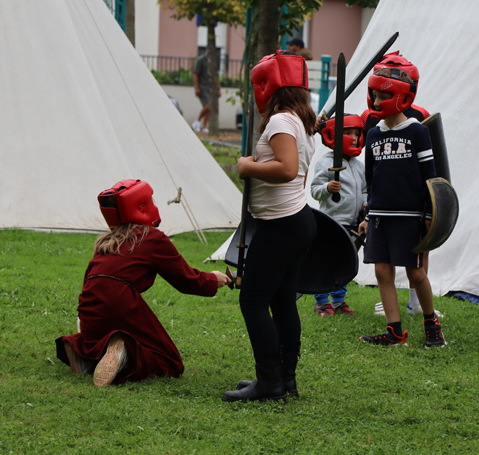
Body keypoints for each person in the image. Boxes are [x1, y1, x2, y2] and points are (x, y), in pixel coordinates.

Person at [56, 179, 230, 386]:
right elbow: (185, 280)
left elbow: (90, 277)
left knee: (98, 338)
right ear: (141, 207)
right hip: (119, 300)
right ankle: (125, 350)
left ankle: (81, 350)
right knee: (169, 361)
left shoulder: (106, 242)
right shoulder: (152, 238)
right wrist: (212, 278)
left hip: (89, 305)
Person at [223, 51, 317, 402]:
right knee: (282, 302)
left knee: (253, 302)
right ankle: (284, 380)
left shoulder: (281, 121)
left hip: (281, 226)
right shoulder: (299, 120)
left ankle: (269, 384)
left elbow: (287, 169)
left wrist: (247, 167)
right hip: (295, 223)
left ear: (271, 87)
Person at [357, 67, 445, 348]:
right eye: (374, 94)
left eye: (383, 95)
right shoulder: (372, 135)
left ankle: (432, 325)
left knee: (415, 273)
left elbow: (429, 175)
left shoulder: (418, 132)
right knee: (382, 271)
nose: (377, 100)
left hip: (410, 216)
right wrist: (368, 215)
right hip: (381, 216)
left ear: (401, 97)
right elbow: (371, 179)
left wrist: (430, 214)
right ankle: (395, 332)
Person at [309, 114, 368, 316]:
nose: (353, 137)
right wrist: (327, 187)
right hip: (332, 223)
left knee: (345, 264)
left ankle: (338, 301)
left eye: (356, 133)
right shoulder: (325, 163)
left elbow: (366, 190)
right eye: (348, 133)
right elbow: (315, 190)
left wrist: (366, 203)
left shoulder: (359, 166)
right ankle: (321, 301)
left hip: (353, 224)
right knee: (326, 262)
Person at [192, 49, 211, 134]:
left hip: (210, 87)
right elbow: (195, 73)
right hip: (202, 86)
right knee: (207, 105)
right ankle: (197, 121)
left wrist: (218, 87)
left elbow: (215, 75)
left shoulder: (213, 61)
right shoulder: (200, 60)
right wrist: (197, 87)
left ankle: (204, 127)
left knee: (209, 108)